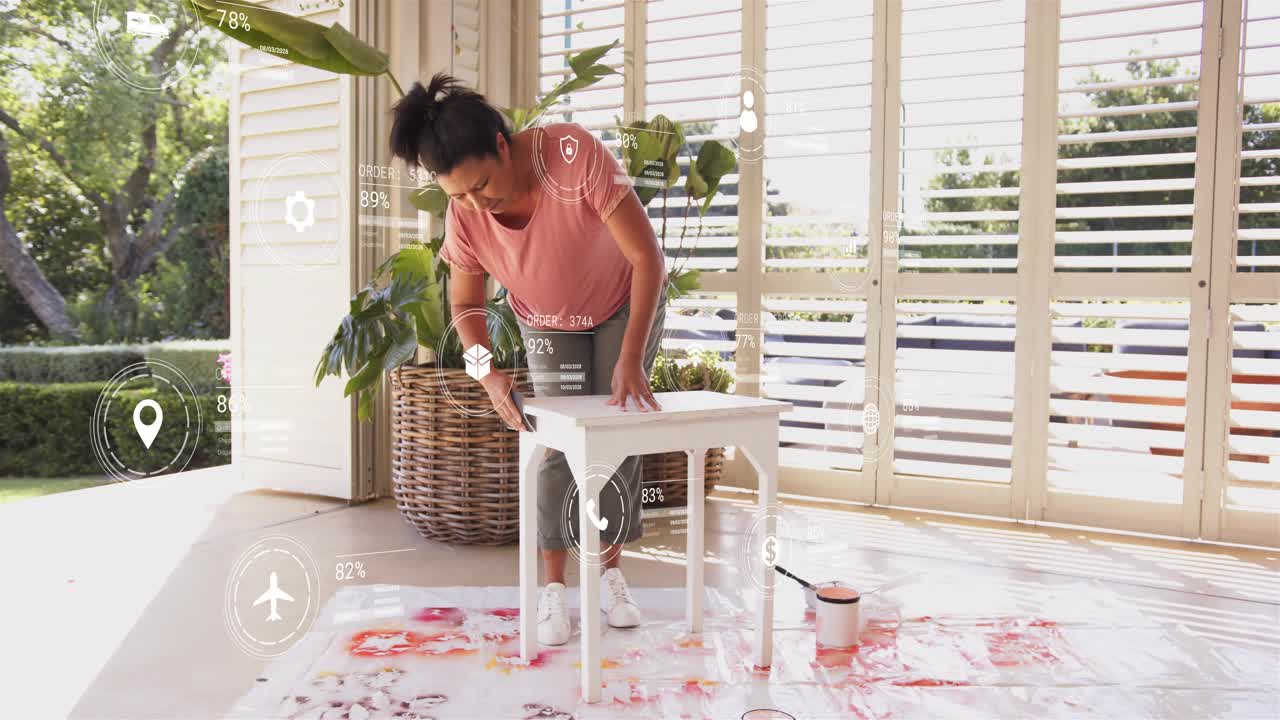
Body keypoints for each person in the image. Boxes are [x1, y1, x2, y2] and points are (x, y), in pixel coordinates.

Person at [390, 74, 667, 646]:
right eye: (458, 195)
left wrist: (632, 356)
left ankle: (610, 574)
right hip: (545, 321)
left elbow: (647, 259)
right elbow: (464, 305)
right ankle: (553, 591)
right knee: (559, 443)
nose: (474, 204)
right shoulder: (464, 213)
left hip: (622, 303)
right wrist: (487, 376)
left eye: (481, 187)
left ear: (502, 143)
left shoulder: (572, 152)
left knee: (614, 436)